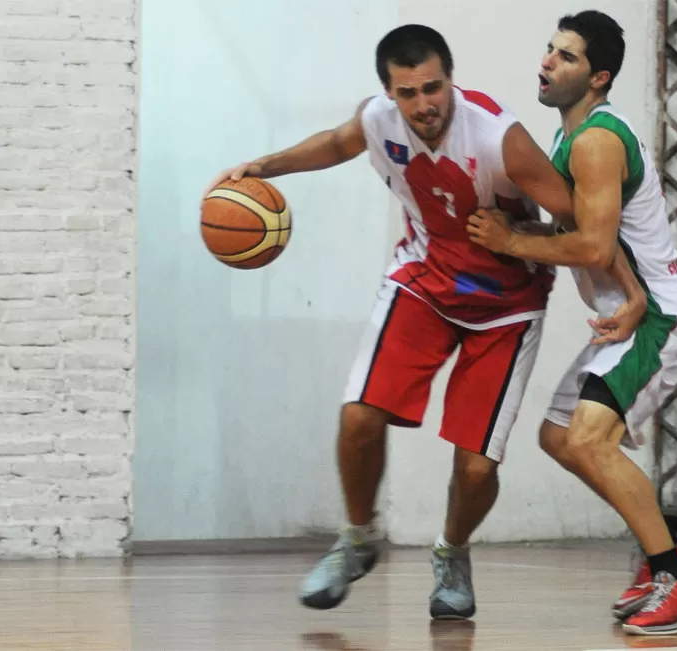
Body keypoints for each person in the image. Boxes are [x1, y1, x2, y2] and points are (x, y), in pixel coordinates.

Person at [204, 23, 642, 620]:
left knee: (477, 463)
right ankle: (358, 539)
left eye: (432, 89)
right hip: (425, 283)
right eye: (407, 93)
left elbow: (584, 220)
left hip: (507, 303)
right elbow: (335, 143)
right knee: (359, 416)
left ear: (450, 81)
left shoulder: (498, 138)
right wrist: (261, 167)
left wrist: (629, 290)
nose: (423, 104)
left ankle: (452, 552)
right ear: (389, 92)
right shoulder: (378, 119)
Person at [466, 10, 677, 636]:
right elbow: (578, 233)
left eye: (567, 56)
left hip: (657, 316)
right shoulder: (565, 141)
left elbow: (595, 249)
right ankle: (674, 548)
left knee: (586, 440)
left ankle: (676, 583)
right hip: (623, 317)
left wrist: (510, 240)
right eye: (550, 50)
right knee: (558, 438)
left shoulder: (597, 142)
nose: (547, 62)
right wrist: (524, 231)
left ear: (599, 77)